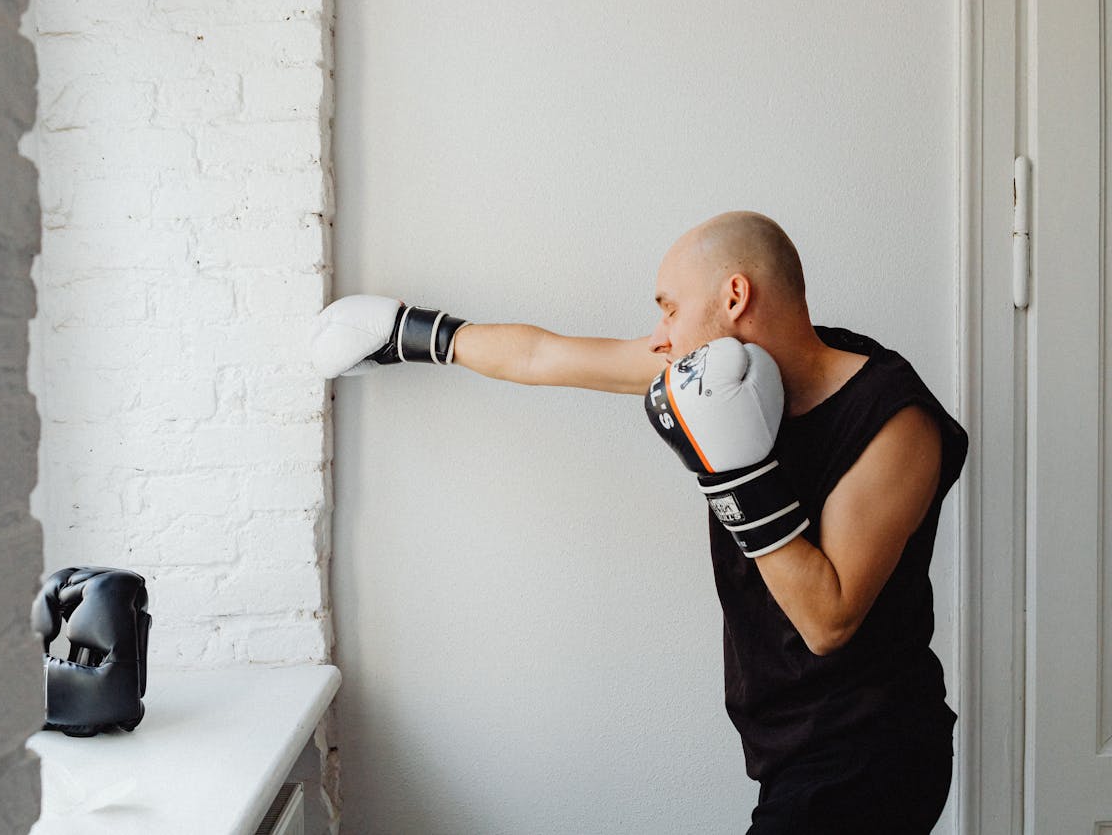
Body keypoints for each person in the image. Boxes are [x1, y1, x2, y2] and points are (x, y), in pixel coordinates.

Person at [310, 210, 968, 834]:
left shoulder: (895, 425)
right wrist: (414, 333)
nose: (660, 337)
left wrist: (732, 473)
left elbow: (827, 619)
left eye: (671, 308)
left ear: (734, 296)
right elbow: (546, 357)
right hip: (792, 745)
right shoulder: (722, 379)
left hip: (875, 749)